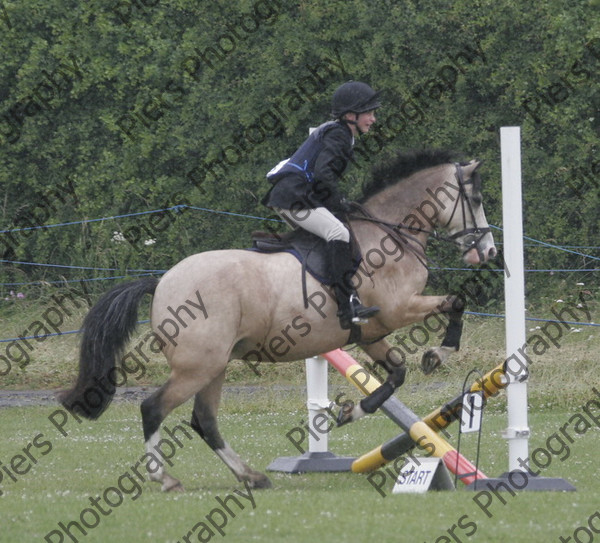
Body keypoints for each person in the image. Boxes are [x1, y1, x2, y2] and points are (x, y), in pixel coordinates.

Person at [261, 80, 381, 329]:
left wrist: (340, 204)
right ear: (351, 115)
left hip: (294, 195)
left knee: (334, 233)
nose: (373, 119)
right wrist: (338, 204)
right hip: (296, 198)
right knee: (339, 233)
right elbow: (323, 175)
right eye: (368, 113)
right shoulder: (339, 135)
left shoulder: (339, 132)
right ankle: (347, 306)